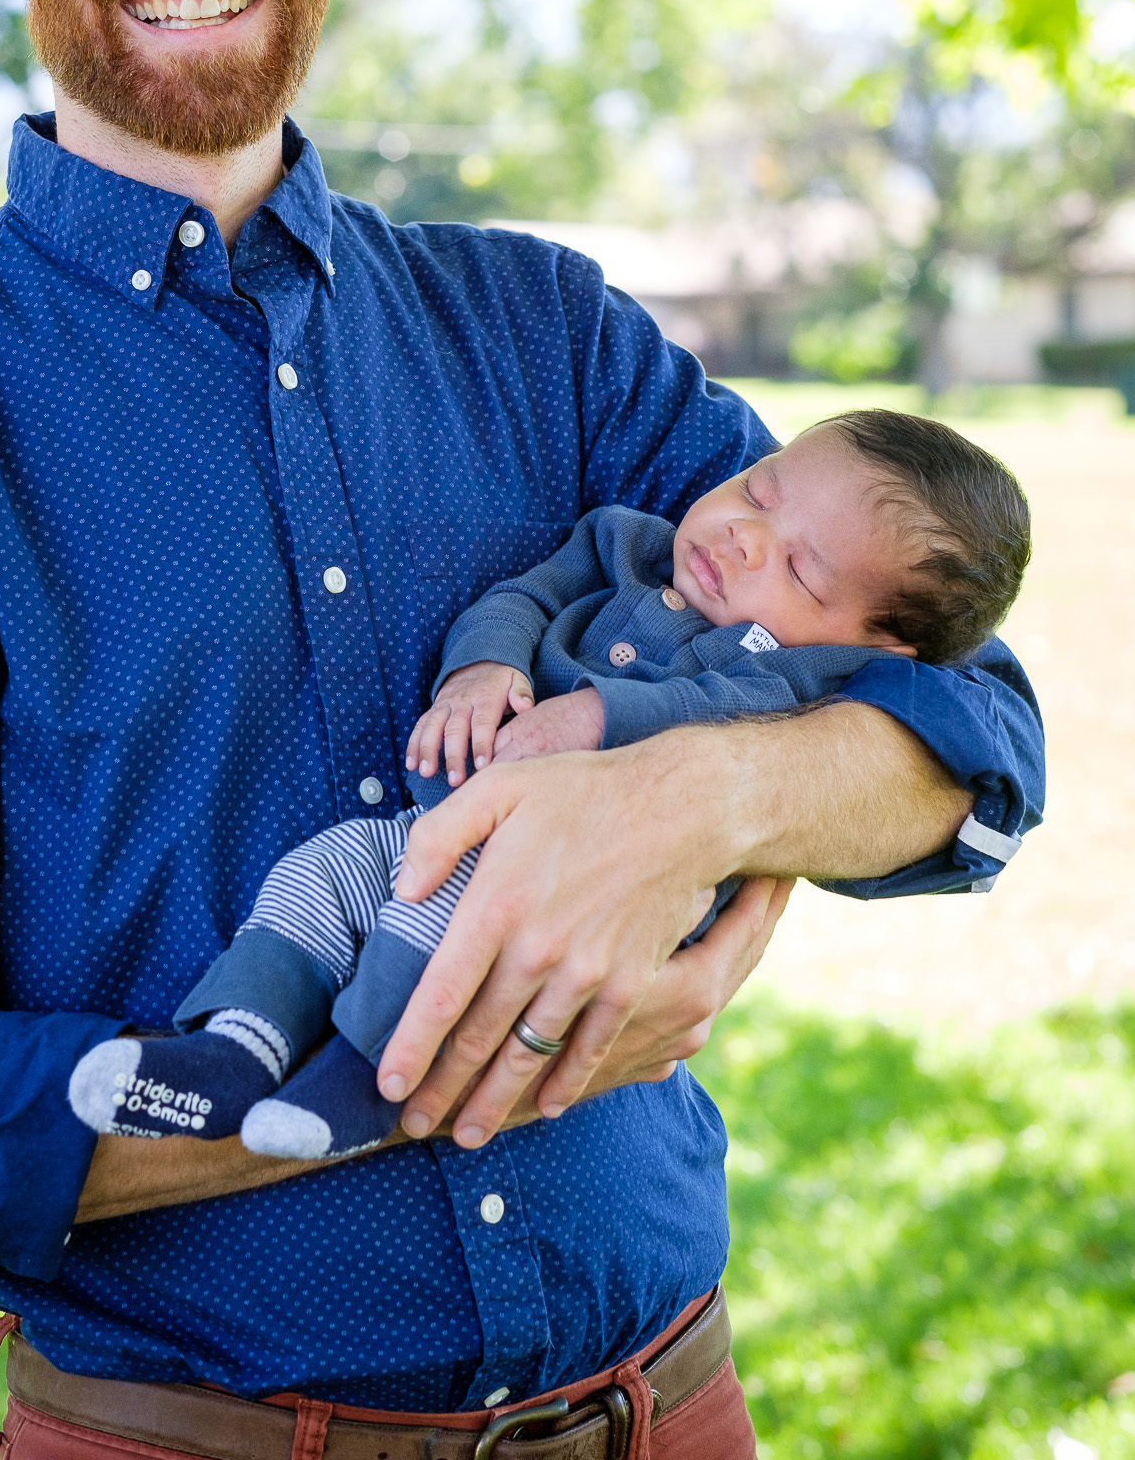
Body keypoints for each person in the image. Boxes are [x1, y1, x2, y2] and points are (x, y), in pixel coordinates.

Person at [0, 0, 1043, 1460]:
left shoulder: (557, 334)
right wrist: (399, 1055)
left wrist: (694, 803)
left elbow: (972, 723)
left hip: (673, 1402)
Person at [64, 408, 1031, 1166]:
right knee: (317, 879)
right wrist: (481, 671)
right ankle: (236, 1046)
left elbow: (722, 710)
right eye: (759, 490)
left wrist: (595, 719)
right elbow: (521, 600)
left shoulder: (803, 674)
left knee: (439, 919)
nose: (743, 538)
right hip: (428, 826)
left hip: (577, 888)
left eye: (800, 568)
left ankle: (363, 1080)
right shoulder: (624, 544)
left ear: (874, 643)